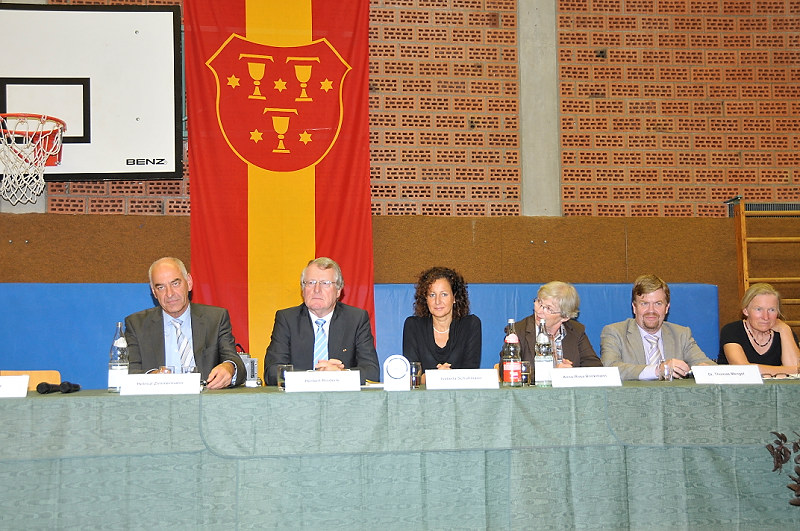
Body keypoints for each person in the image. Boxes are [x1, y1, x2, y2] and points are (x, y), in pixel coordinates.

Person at [125, 257, 246, 389]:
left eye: (175, 284)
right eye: (161, 287)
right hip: (159, 399)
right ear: (154, 292)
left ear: (189, 282)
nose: (169, 294)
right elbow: (130, 372)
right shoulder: (137, 325)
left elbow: (235, 361)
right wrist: (153, 377)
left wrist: (229, 367)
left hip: (205, 399)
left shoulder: (215, 319)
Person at [264, 257, 380, 385]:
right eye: (311, 282)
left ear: (338, 291)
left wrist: (341, 374)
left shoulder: (356, 319)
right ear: (303, 289)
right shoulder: (287, 319)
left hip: (342, 397)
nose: (317, 290)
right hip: (299, 396)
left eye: (325, 283)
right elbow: (272, 372)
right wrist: (316, 377)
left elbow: (372, 372)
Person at [600, 274, 715, 380]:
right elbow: (609, 369)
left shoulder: (681, 334)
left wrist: (704, 369)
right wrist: (658, 370)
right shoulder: (615, 333)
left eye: (658, 304)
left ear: (667, 308)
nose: (651, 310)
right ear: (634, 307)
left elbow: (707, 364)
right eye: (644, 303)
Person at [402, 266, 482, 375]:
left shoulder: (470, 325)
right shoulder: (413, 326)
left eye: (444, 294)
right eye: (432, 295)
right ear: (426, 299)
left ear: (454, 297)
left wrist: (448, 376)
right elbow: (413, 374)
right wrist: (435, 376)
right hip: (425, 387)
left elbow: (471, 372)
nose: (437, 301)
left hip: (460, 387)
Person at [513, 281, 601, 368]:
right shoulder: (518, 331)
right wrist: (554, 373)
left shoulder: (576, 331)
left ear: (565, 317)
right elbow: (510, 369)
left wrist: (570, 372)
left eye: (548, 308)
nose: (539, 311)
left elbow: (594, 366)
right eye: (539, 302)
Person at [718, 283, 800, 377]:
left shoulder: (785, 332)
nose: (766, 317)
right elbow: (742, 369)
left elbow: (796, 375)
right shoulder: (732, 330)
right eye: (758, 309)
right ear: (745, 311)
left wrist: (785, 329)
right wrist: (790, 370)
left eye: (772, 310)